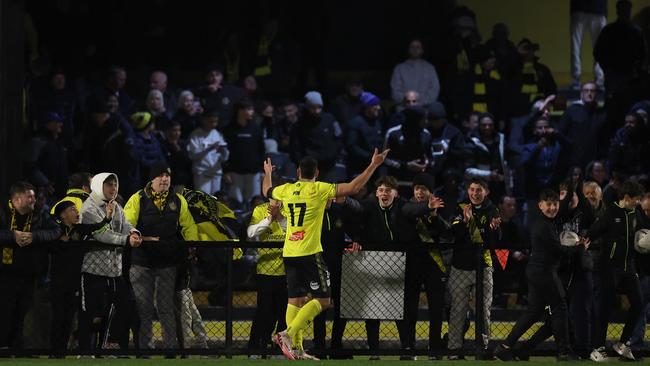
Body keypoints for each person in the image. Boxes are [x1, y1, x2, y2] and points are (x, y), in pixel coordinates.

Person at [262, 148, 389, 360]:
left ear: (297, 172)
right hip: (310, 252)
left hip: (289, 252)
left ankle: (298, 349)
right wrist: (374, 164)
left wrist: (267, 173)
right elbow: (354, 187)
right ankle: (288, 333)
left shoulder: (285, 189)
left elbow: (267, 191)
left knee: (296, 300)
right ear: (317, 173)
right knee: (324, 301)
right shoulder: (319, 189)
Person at [494, 189, 585, 361]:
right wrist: (580, 247)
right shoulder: (544, 226)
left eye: (555, 204)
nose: (552, 208)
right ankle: (564, 351)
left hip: (536, 271)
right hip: (544, 272)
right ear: (540, 206)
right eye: (549, 204)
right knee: (560, 308)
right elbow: (559, 251)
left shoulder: (543, 223)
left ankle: (504, 347)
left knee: (534, 312)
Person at [124, 161, 198, 354]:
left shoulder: (178, 200)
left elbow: (188, 225)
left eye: (167, 176)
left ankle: (170, 349)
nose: (164, 179)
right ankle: (145, 349)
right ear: (152, 178)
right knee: (144, 308)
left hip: (167, 262)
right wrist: (132, 234)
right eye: (160, 175)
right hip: (141, 262)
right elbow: (126, 223)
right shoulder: (137, 198)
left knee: (166, 308)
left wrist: (192, 244)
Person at [78, 173, 141, 352]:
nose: (113, 189)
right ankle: (84, 351)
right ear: (99, 186)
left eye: (115, 185)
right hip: (93, 270)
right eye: (109, 185)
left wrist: (133, 232)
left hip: (114, 270)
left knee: (123, 306)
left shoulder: (116, 206)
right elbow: (101, 234)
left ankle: (106, 347)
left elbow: (126, 224)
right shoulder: (89, 208)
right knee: (88, 312)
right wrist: (126, 241)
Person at [586, 180, 645, 362]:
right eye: (636, 199)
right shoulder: (611, 212)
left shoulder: (637, 213)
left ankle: (622, 344)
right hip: (608, 268)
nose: (638, 202)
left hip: (629, 267)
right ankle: (597, 348)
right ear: (626, 198)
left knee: (639, 304)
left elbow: (642, 232)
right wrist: (585, 238)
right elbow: (594, 231)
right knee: (604, 307)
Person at [0, 182, 60, 351]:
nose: (35, 200)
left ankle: (17, 348)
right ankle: (3, 345)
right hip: (4, 272)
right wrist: (12, 236)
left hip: (29, 273)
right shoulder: (3, 211)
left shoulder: (40, 213)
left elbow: (55, 232)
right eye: (30, 197)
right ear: (17, 199)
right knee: (4, 311)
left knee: (23, 312)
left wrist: (34, 236)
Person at [48, 199, 112, 357]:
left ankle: (62, 350)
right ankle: (54, 350)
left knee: (68, 318)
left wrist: (107, 219)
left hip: (74, 282)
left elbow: (97, 227)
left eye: (76, 209)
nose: (77, 212)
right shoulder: (55, 230)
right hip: (57, 282)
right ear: (62, 215)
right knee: (58, 317)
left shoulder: (80, 229)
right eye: (72, 209)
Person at [447, 178, 501, 360]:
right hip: (460, 267)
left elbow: (494, 242)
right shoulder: (459, 207)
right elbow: (453, 235)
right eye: (471, 189)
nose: (474, 193)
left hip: (483, 267)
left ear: (486, 192)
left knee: (484, 310)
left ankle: (482, 349)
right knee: (458, 310)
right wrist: (465, 221)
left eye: (479, 190)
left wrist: (493, 230)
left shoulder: (493, 210)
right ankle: (454, 350)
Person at [246, 198, 288, 356]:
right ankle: (255, 347)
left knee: (284, 314)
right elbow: (251, 233)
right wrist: (270, 218)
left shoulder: (290, 209)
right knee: (264, 312)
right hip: (265, 271)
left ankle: (279, 350)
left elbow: (293, 231)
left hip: (287, 271)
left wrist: (280, 217)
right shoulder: (260, 210)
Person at [593, 0, 646, 96]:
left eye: (627, 10)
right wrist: (607, 69)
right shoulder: (609, 31)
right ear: (618, 11)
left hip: (628, 75)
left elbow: (643, 54)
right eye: (623, 10)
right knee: (616, 102)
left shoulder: (636, 32)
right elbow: (598, 52)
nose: (626, 13)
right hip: (617, 75)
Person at [289, 91, 343, 183]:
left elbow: (338, 137)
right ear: (307, 107)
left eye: (319, 107)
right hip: (310, 168)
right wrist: (301, 163)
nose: (317, 110)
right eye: (313, 107)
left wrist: (334, 154)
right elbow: (295, 146)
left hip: (330, 165)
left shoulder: (330, 119)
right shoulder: (300, 124)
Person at [224, 100, 265, 207]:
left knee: (253, 202)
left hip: (253, 172)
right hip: (235, 173)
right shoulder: (229, 129)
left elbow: (261, 150)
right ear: (240, 111)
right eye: (249, 109)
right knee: (236, 202)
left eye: (252, 109)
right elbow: (225, 152)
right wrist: (226, 171)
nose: (251, 112)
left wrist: (262, 170)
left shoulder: (256, 128)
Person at [187, 110, 229, 195]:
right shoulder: (195, 135)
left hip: (216, 173)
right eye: (211, 121)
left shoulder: (218, 134)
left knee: (215, 202)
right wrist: (209, 149)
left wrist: (223, 151)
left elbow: (224, 158)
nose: (214, 124)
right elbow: (193, 155)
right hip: (202, 173)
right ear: (204, 120)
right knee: (204, 202)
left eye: (215, 122)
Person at [345, 92, 384, 177]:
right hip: (359, 168)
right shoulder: (356, 123)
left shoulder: (377, 122)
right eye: (375, 105)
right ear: (367, 107)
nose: (378, 107)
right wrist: (369, 156)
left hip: (376, 167)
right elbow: (352, 146)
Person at [391, 39, 441, 106]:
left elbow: (434, 89)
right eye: (412, 47)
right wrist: (409, 101)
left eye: (418, 47)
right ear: (408, 49)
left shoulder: (430, 68)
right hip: (405, 108)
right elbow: (395, 90)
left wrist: (421, 102)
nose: (415, 49)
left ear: (422, 50)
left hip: (426, 109)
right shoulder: (399, 68)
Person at [570, 0, 607, 90]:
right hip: (596, 8)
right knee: (599, 48)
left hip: (581, 8)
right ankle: (599, 79)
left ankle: (577, 79)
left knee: (576, 46)